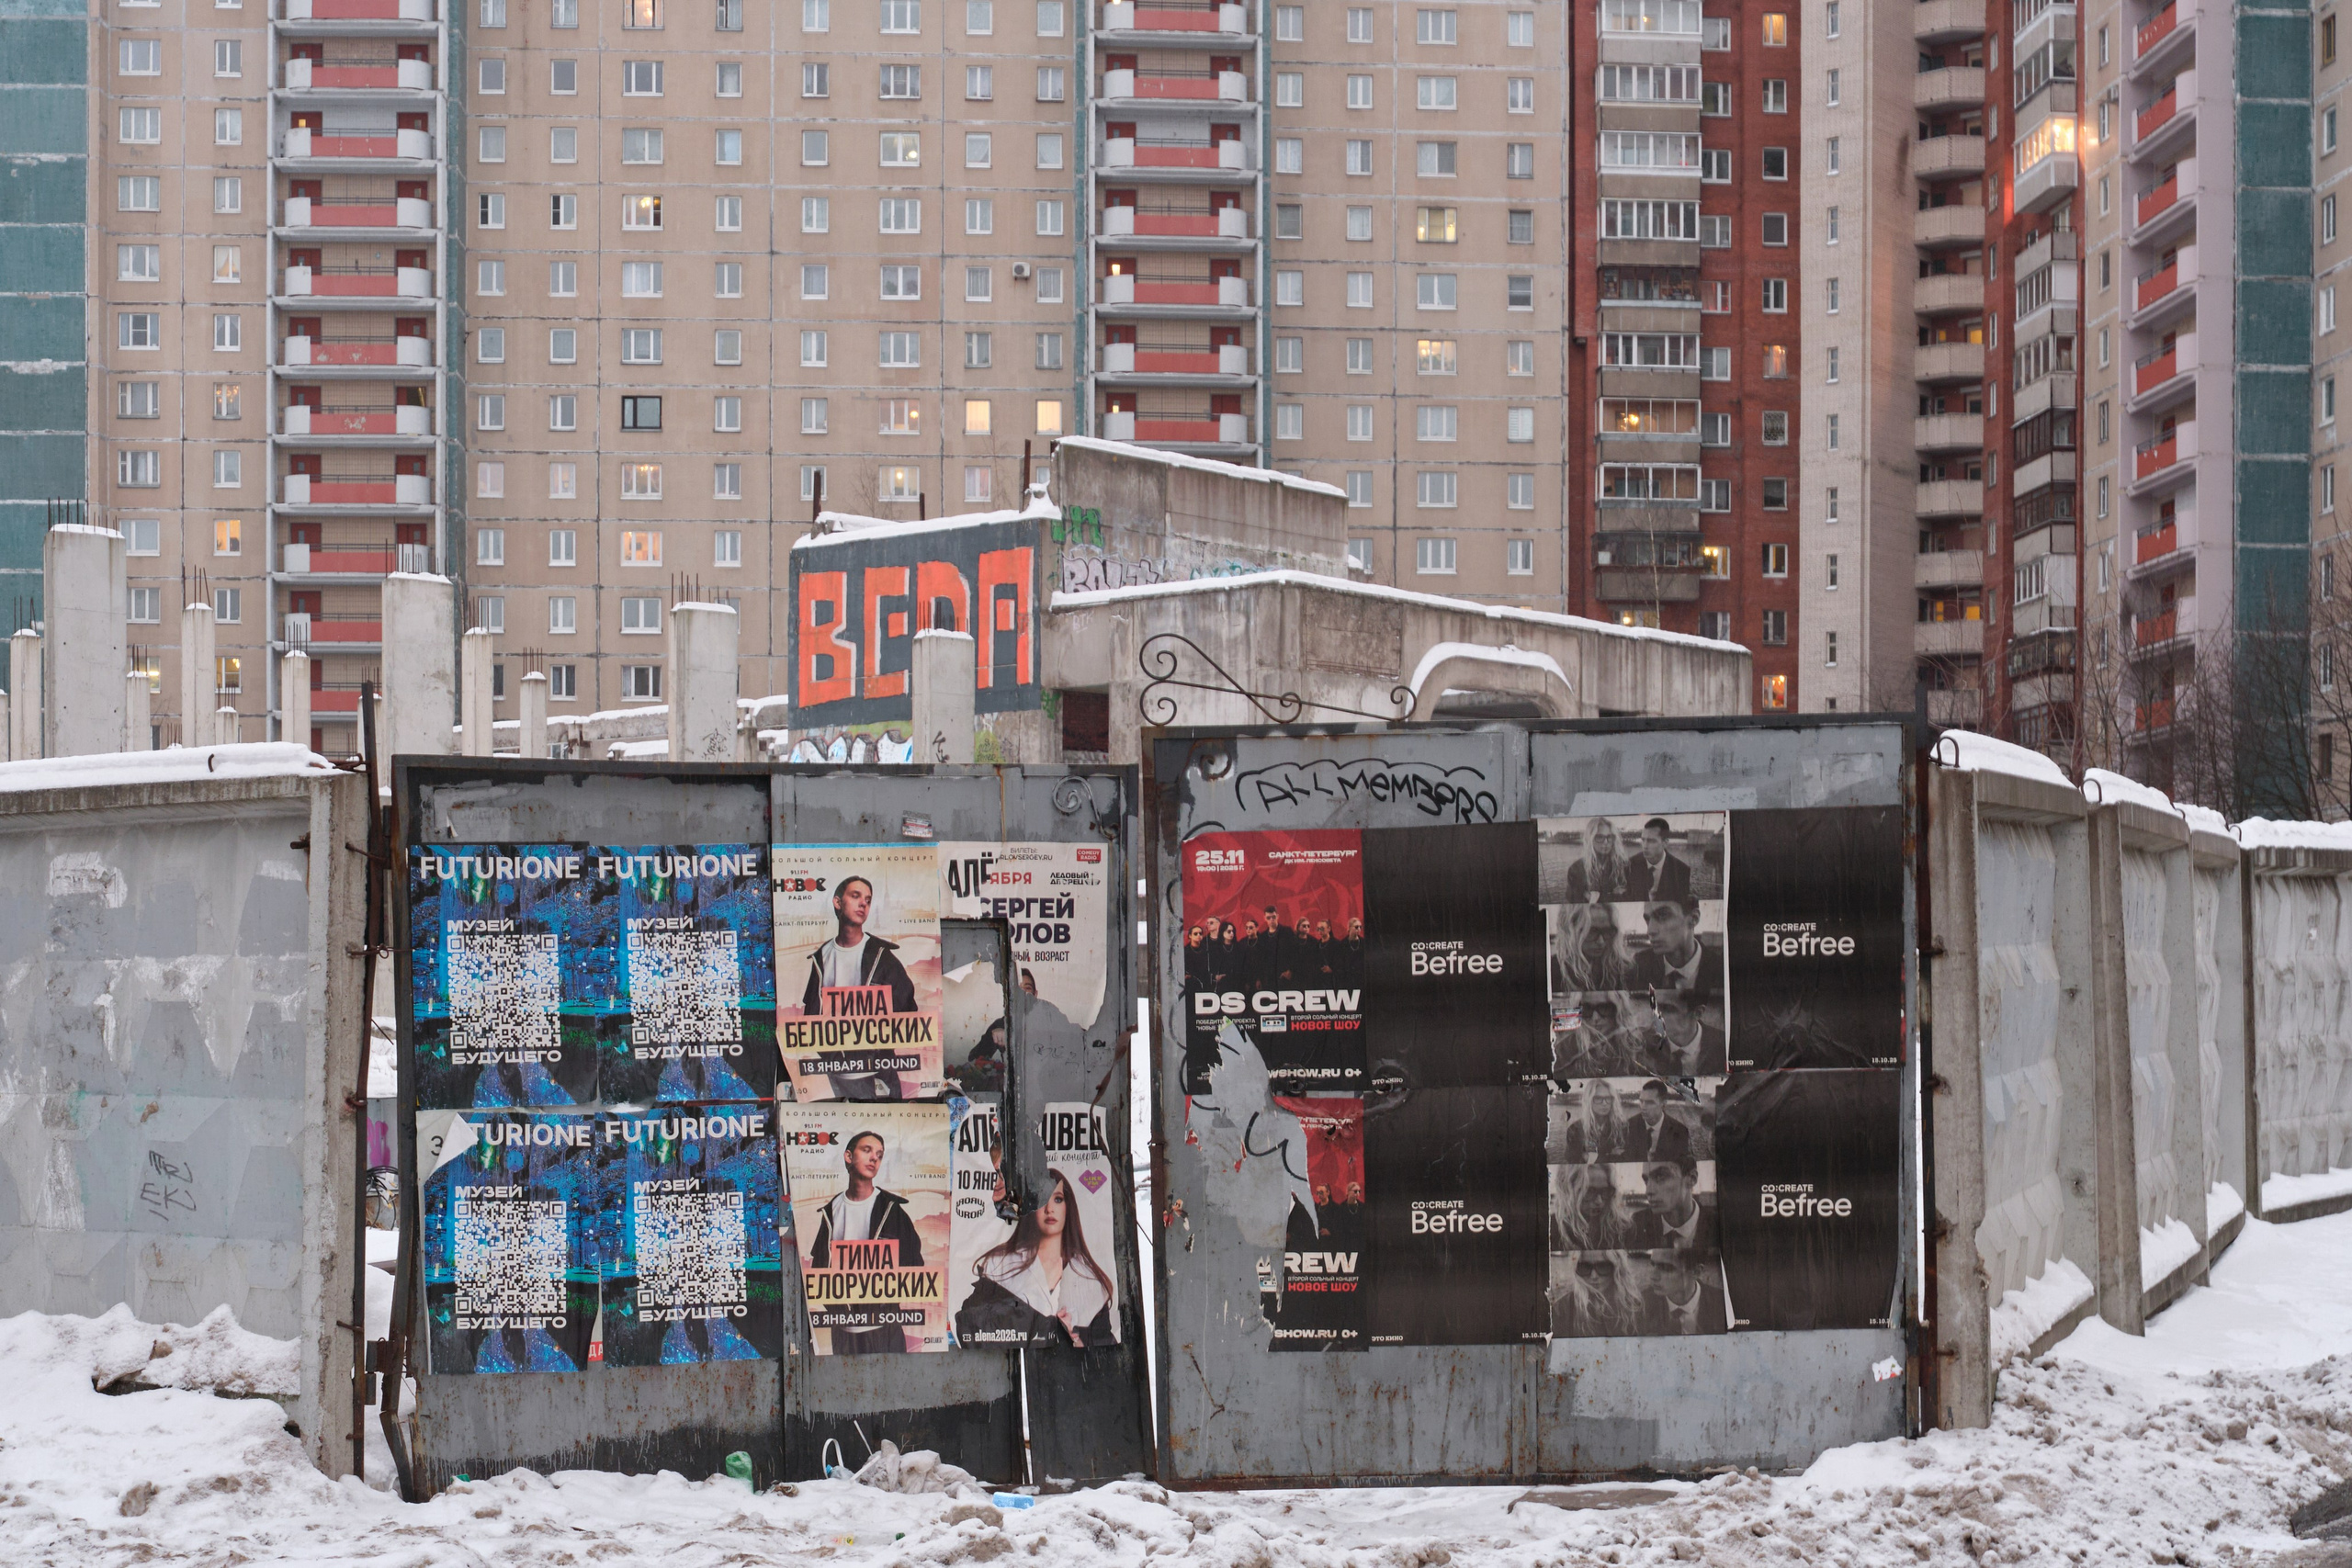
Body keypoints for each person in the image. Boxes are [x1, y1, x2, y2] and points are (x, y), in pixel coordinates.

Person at [955, 1168, 1116, 1347]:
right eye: (1041, 1199)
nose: (1049, 1209)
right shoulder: (999, 1264)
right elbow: (968, 1328)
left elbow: (1105, 1355)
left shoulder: (1090, 1282)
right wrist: (1037, 1324)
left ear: (1068, 1207)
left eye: (1057, 1199)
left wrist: (1075, 1340)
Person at [808, 1130, 928, 1354]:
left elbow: (915, 1270)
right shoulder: (830, 1212)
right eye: (867, 1150)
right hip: (843, 1335)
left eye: (880, 1155)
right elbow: (818, 1273)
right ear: (848, 1156)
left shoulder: (893, 1212)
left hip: (884, 1331)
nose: (875, 1158)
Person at [800, 875, 919, 1016]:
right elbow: (810, 1016)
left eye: (868, 900)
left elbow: (908, 1014)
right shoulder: (821, 957)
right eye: (855, 896)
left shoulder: (883, 957)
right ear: (838, 903)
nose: (863, 903)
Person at [1625, 1158, 1713, 1253]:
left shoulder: (1717, 1225)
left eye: (1660, 1177)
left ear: (1691, 1179)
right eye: (1646, 1180)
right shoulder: (1637, 1225)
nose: (1648, 1191)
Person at [1631, 898, 1713, 996]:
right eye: (1648, 919)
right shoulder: (1637, 967)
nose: (1650, 931)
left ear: (1693, 919)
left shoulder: (1721, 969)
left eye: (1663, 916)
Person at [1642, 989, 1725, 1077]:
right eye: (1654, 1007)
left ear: (1697, 1013)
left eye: (1668, 1009)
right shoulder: (1642, 1046)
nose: (1655, 1016)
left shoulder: (1724, 1046)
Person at [1645, 1248, 1728, 1335]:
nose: (1653, 1276)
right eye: (1653, 1264)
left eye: (1666, 1268)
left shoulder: (1722, 1302)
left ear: (1696, 1272)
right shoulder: (1638, 1306)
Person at [1622, 818, 1694, 904]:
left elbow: (1680, 904)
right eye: (1643, 840)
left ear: (1665, 843)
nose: (1645, 846)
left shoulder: (1682, 870)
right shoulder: (1629, 865)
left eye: (1651, 841)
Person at [1623, 1079, 1694, 1165]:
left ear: (1663, 1104)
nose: (1643, 1107)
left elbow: (1679, 1166)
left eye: (1650, 1102)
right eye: (1641, 1101)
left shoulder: (1680, 1131)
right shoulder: (1628, 1126)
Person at [1562, 817, 1626, 905]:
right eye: (1599, 837)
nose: (1605, 842)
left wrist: (1594, 897)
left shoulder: (1623, 865)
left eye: (1609, 837)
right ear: (1590, 839)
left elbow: (1627, 898)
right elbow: (1575, 903)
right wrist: (1612, 895)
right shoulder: (1576, 869)